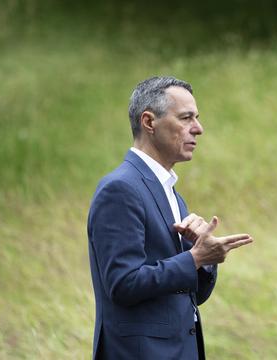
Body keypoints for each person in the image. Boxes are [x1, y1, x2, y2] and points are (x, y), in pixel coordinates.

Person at [87, 76, 253, 359]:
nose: (198, 129)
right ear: (149, 122)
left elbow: (190, 294)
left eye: (197, 118)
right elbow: (123, 284)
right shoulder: (120, 189)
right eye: (186, 118)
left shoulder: (172, 194)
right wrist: (195, 258)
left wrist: (202, 257)